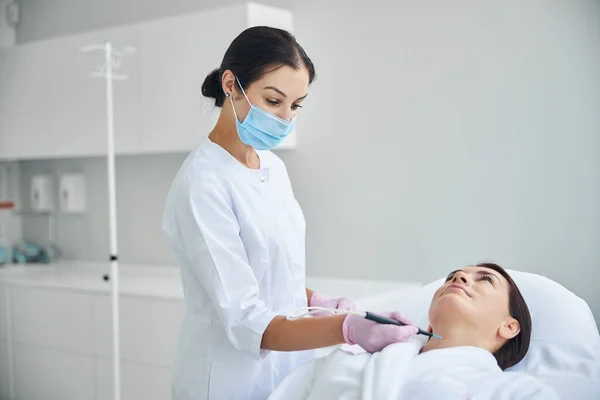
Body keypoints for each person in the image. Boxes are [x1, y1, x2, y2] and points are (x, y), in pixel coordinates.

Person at [162, 26, 418, 400]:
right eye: (273, 100)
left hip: (288, 370)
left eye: (295, 105)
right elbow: (246, 319)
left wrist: (313, 301)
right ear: (231, 84)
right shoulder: (203, 183)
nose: (284, 118)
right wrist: (346, 328)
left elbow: (269, 269)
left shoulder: (271, 167)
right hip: (226, 381)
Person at [269, 263, 559, 400]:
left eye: (485, 280)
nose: (460, 277)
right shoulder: (349, 359)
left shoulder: (514, 392)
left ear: (509, 326)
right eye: (453, 276)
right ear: (430, 321)